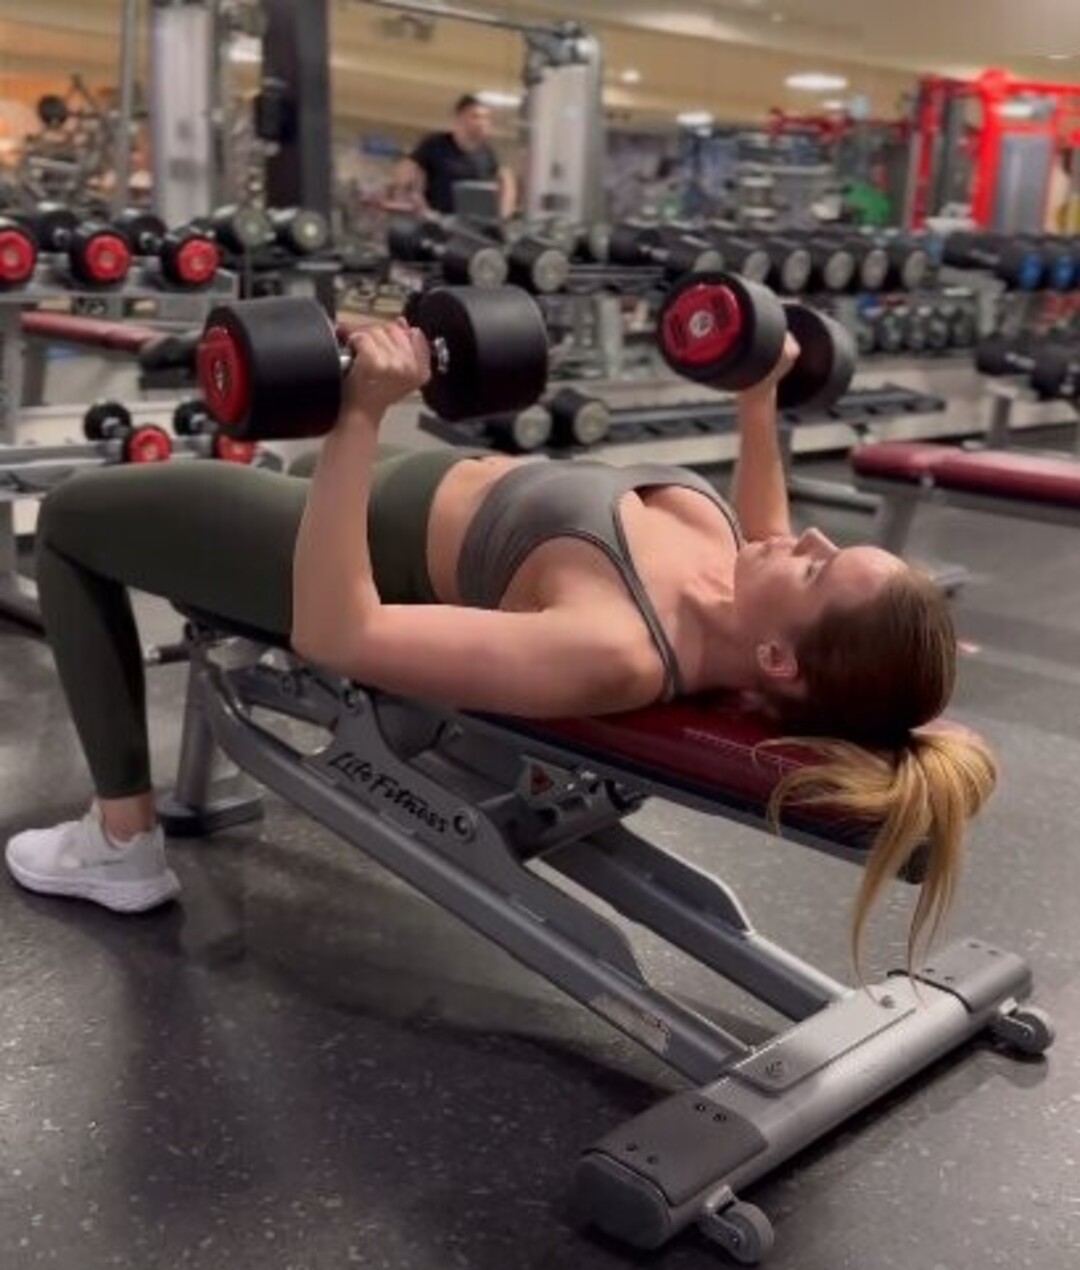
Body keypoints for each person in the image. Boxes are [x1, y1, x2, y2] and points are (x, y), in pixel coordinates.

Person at [5, 323, 995, 966]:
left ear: (779, 662)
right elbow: (772, 535)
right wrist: (757, 395)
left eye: (821, 569)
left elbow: (338, 633)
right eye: (833, 545)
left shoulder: (617, 647)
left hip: (351, 552)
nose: (809, 539)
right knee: (282, 459)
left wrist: (363, 414)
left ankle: (121, 844)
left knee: (77, 518)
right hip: (394, 482)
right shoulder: (740, 580)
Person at [390, 94, 516, 218]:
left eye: (486, 118)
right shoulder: (435, 144)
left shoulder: (488, 153)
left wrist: (504, 215)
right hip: (437, 221)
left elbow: (507, 181)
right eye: (476, 117)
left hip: (473, 224)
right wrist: (415, 199)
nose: (482, 123)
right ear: (459, 118)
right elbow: (405, 171)